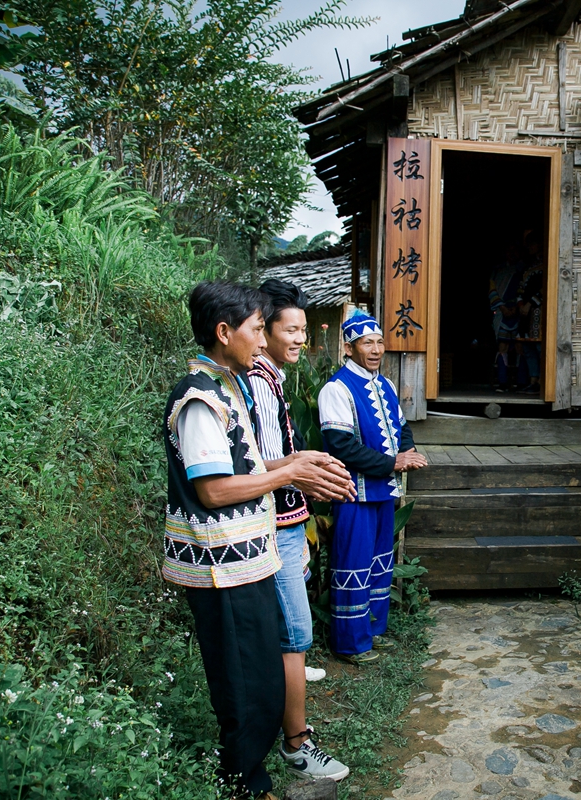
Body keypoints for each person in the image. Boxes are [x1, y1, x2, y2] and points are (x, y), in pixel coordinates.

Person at [162, 281, 354, 799]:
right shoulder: (201, 399)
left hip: (246, 561)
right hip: (220, 568)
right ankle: (245, 784)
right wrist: (289, 476)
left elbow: (241, 467)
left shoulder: (227, 387)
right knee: (245, 686)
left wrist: (294, 463)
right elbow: (216, 487)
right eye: (255, 328)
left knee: (262, 677)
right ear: (225, 333)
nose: (262, 340)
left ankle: (250, 775)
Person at [248, 279, 349, 782]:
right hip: (273, 525)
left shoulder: (271, 380)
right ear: (261, 330)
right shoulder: (259, 385)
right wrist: (302, 469)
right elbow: (257, 464)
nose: (300, 341)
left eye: (304, 331)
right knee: (295, 633)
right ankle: (296, 745)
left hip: (286, 520)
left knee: (292, 633)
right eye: (292, 330)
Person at [318, 311, 428, 664]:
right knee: (353, 564)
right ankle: (351, 644)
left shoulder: (386, 385)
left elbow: (401, 425)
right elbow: (341, 445)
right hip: (354, 494)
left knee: (379, 563)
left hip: (382, 493)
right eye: (368, 343)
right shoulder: (336, 389)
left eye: (380, 341)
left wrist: (407, 450)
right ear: (348, 348)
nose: (377, 349)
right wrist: (392, 463)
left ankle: (373, 631)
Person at [488, 242, 525, 392]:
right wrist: (502, 307)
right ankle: (502, 382)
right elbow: (492, 290)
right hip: (502, 314)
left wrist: (517, 307)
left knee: (520, 347)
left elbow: (525, 288)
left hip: (519, 312)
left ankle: (520, 382)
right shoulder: (498, 271)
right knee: (502, 347)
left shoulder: (522, 269)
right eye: (509, 250)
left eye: (514, 250)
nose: (512, 254)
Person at [515, 234, 545, 394]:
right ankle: (533, 381)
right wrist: (520, 304)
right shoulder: (527, 267)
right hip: (525, 314)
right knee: (528, 347)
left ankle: (542, 381)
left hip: (539, 312)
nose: (530, 247)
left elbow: (545, 288)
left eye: (533, 244)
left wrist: (530, 303)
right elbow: (520, 288)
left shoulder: (547, 264)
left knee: (540, 347)